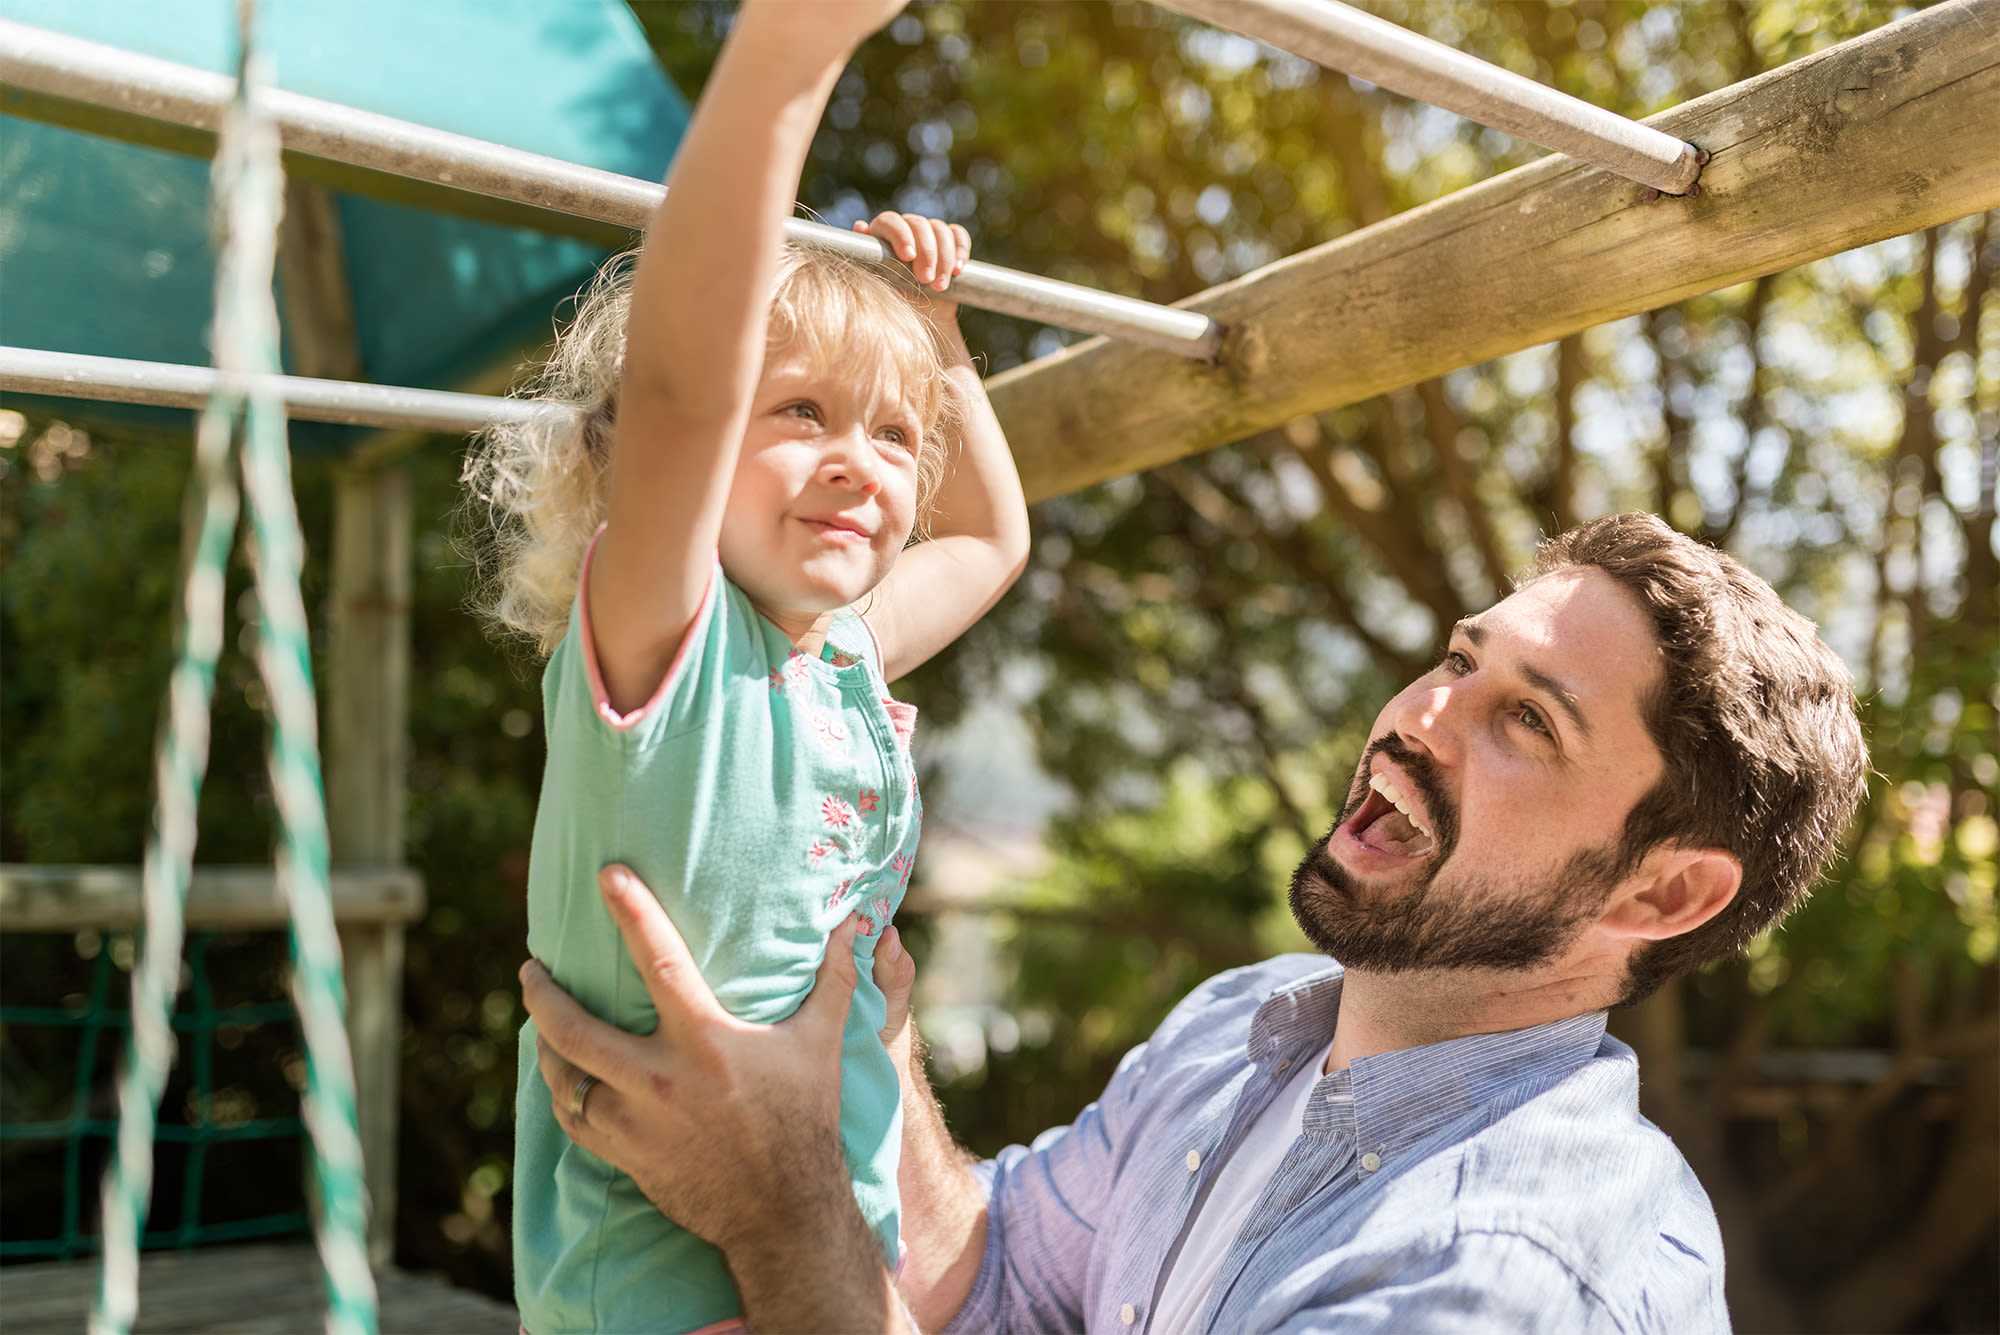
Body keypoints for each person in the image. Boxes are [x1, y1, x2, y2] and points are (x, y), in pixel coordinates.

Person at [522, 513, 1870, 1332]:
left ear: (1663, 893)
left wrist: (779, 1207)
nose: (1418, 717)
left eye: (1528, 719)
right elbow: (990, 1284)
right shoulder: (1253, 1027)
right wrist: (870, 1032)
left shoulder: (1498, 1275)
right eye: (1461, 660)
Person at [461, 0, 1029, 1327]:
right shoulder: (670, 642)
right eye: (804, 414)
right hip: (656, 1278)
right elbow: (680, 396)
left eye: (896, 437)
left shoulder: (839, 655)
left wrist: (941, 337)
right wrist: (787, 54)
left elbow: (991, 537)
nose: (861, 461)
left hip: (829, 1235)